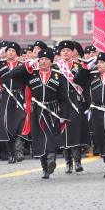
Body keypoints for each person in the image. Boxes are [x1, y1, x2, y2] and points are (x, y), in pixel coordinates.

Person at [10, 49, 69, 179]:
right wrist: (28, 64)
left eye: (46, 60)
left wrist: (64, 114)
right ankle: (44, 167)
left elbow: (64, 98)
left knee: (52, 135)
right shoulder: (31, 74)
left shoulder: (58, 76)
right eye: (41, 59)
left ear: (51, 62)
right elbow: (13, 74)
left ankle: (51, 158)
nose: (43, 62)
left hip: (52, 109)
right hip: (36, 110)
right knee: (39, 137)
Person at [55, 40, 90, 174]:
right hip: (62, 103)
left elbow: (85, 85)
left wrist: (88, 102)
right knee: (64, 132)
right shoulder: (56, 67)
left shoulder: (79, 65)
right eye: (63, 51)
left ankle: (78, 162)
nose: (65, 52)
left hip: (77, 101)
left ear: (72, 52)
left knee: (76, 131)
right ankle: (68, 163)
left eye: (68, 50)